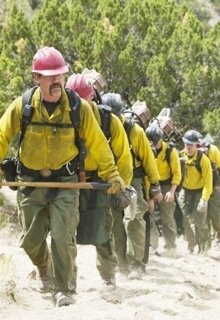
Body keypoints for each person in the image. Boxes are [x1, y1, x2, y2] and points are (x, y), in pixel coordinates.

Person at [0, 47, 124, 307]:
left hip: (66, 182)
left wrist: (112, 175)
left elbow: (99, 145)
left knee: (62, 237)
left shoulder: (79, 108)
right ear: (36, 78)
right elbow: (1, 136)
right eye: (50, 76)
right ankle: (44, 268)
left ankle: (63, 289)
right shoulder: (22, 105)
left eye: (61, 75)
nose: (57, 81)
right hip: (30, 182)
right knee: (30, 241)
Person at [65, 72, 132, 291]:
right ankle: (67, 278)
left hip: (102, 181)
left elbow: (123, 156)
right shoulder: (62, 117)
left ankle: (108, 277)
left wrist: (123, 187)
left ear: (92, 99)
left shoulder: (108, 121)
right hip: (70, 178)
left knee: (103, 231)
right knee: (65, 231)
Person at [101, 93, 161, 280]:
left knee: (134, 218)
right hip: (110, 178)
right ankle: (122, 264)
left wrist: (155, 186)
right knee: (115, 224)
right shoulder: (100, 128)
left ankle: (137, 263)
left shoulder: (135, 131)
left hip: (133, 178)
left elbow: (148, 161)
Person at [145, 124, 181, 254]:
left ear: (160, 139)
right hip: (150, 183)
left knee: (167, 216)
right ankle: (151, 245)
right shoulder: (146, 149)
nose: (153, 145)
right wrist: (151, 194)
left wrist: (171, 192)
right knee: (148, 214)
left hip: (166, 185)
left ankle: (171, 246)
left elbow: (177, 174)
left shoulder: (171, 151)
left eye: (155, 142)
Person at [178, 130, 213, 254]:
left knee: (200, 221)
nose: (189, 148)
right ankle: (191, 245)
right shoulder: (181, 156)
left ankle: (205, 247)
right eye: (187, 144)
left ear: (196, 145)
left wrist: (204, 199)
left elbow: (208, 182)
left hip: (200, 191)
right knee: (184, 218)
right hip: (185, 190)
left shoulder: (203, 160)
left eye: (191, 145)